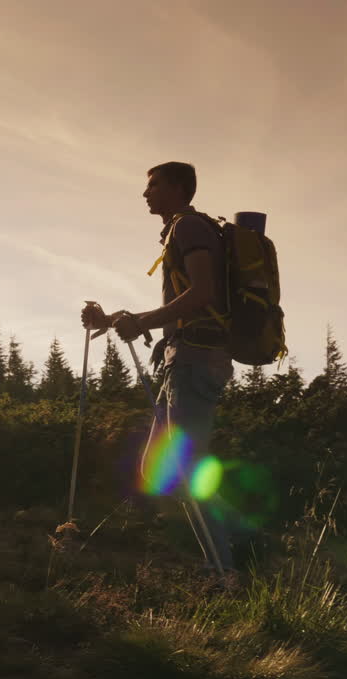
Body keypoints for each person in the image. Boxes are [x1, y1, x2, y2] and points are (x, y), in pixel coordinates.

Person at [81, 162, 237, 576]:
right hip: (181, 359)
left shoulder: (189, 228)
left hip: (196, 360)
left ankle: (225, 567)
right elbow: (179, 305)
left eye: (153, 186)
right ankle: (218, 557)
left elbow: (202, 293)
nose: (145, 193)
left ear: (178, 188)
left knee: (186, 467)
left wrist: (141, 323)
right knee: (158, 467)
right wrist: (111, 319)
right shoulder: (179, 231)